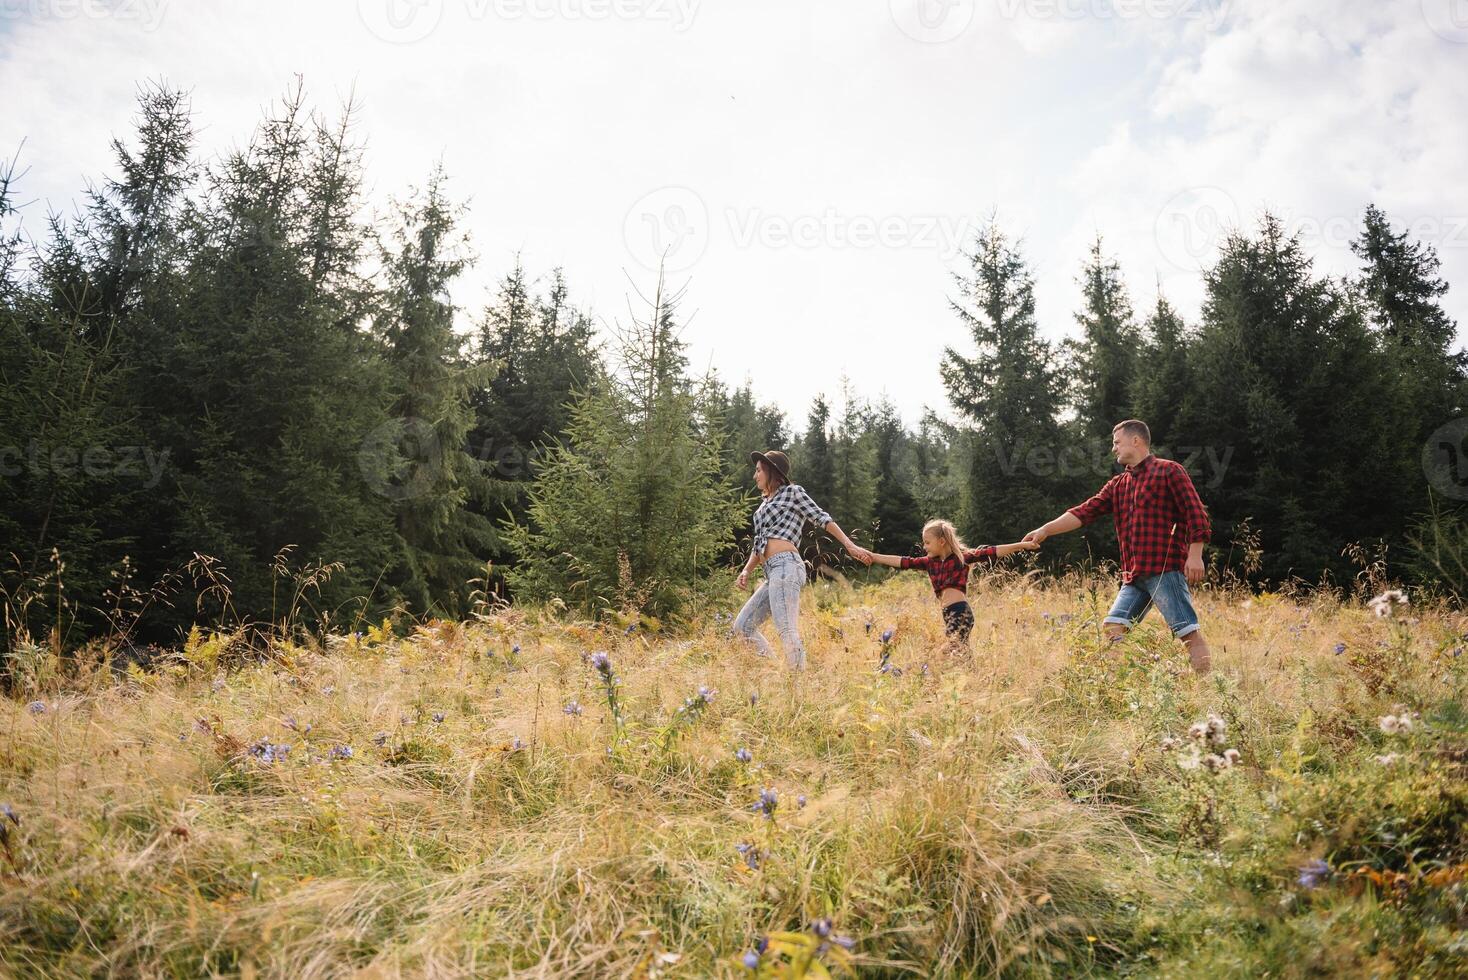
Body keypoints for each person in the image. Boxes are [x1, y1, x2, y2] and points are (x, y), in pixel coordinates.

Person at [1022, 419, 1213, 674]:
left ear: (1136, 440)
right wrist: (1045, 529)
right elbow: (1084, 512)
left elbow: (1195, 513)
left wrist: (1195, 555)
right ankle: (1126, 679)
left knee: (1187, 632)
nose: (1114, 449)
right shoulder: (1118, 484)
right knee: (1113, 626)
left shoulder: (1169, 471)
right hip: (1134, 576)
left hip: (1164, 571)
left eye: (1116, 442)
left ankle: (1206, 689)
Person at [733, 450, 871, 669]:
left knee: (786, 628)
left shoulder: (792, 492)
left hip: (787, 566)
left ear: (772, 471)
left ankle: (798, 683)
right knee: (742, 627)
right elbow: (759, 544)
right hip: (772, 572)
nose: (754, 475)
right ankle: (777, 672)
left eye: (758, 470)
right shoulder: (761, 507)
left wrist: (849, 545)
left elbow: (822, 518)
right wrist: (747, 570)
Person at [864, 518, 1037, 650]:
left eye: (927, 542)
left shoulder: (962, 557)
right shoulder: (928, 562)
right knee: (960, 652)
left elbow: (994, 551)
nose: (924, 547)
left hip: (960, 611)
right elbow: (902, 561)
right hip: (948, 614)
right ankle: (972, 680)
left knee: (948, 651)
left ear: (941, 541)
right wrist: (873, 556)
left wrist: (1022, 545)